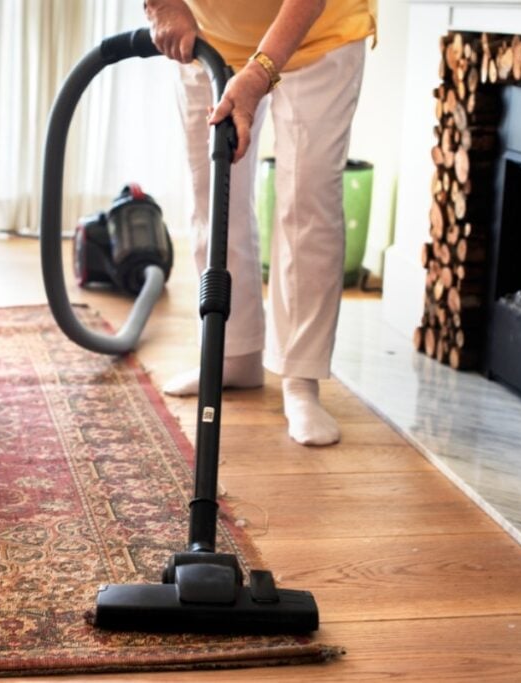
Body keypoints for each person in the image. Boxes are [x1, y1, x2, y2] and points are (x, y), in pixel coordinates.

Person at [144, 0, 376, 447]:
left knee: (306, 199)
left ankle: (299, 376)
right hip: (208, 33)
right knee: (211, 190)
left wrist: (260, 70)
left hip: (318, 33)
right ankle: (234, 352)